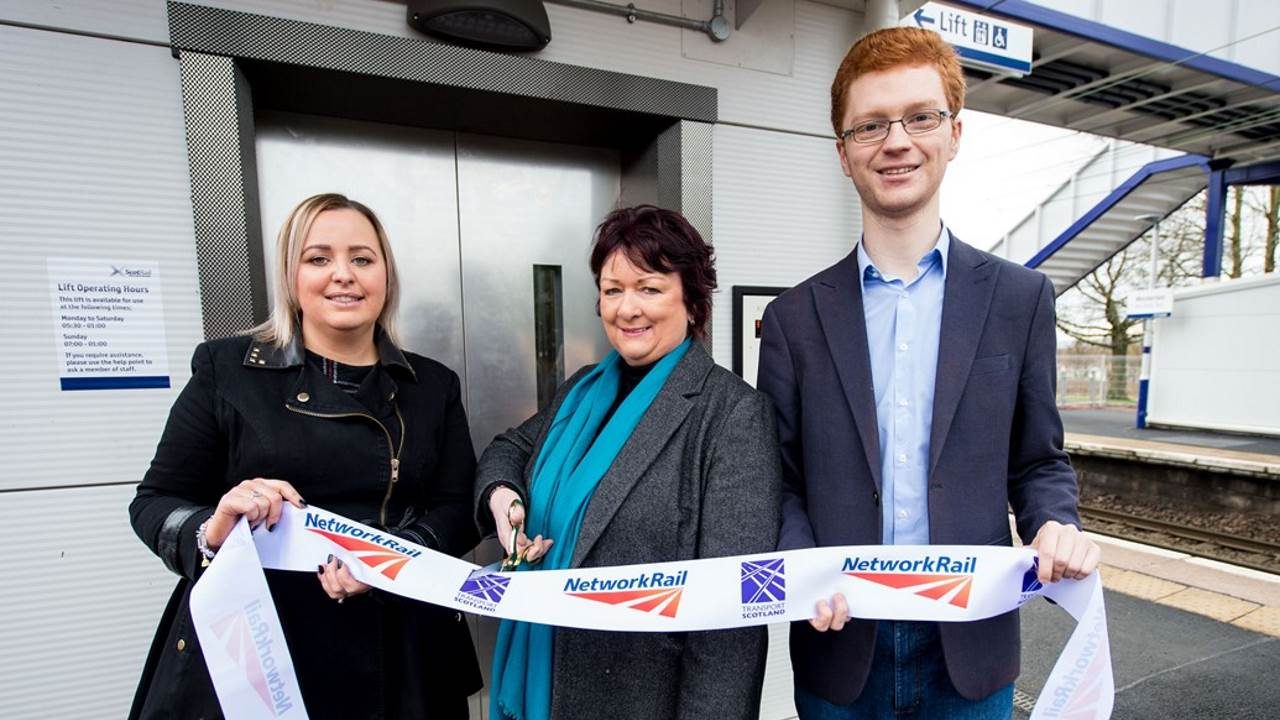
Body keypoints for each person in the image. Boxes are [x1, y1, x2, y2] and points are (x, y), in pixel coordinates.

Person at [757, 27, 1101, 719]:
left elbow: (1038, 462)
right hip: (839, 647)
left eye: (920, 117)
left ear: (954, 133)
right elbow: (779, 478)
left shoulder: (1019, 299)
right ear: (843, 153)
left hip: (971, 649)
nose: (896, 141)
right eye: (870, 125)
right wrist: (804, 569)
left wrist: (1054, 523)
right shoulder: (793, 318)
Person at [128, 193, 482, 719]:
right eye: (319, 259)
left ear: (386, 274)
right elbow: (155, 502)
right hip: (259, 646)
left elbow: (457, 508)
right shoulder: (227, 371)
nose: (344, 274)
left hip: (402, 647)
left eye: (363, 258)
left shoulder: (432, 385)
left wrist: (392, 559)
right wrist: (211, 527)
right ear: (291, 276)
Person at [474, 205, 781, 720]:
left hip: (642, 701)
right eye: (613, 290)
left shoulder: (732, 415)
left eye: (650, 288)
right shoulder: (583, 390)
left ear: (691, 298)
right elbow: (510, 447)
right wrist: (504, 498)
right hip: (542, 690)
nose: (627, 308)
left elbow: (730, 616)